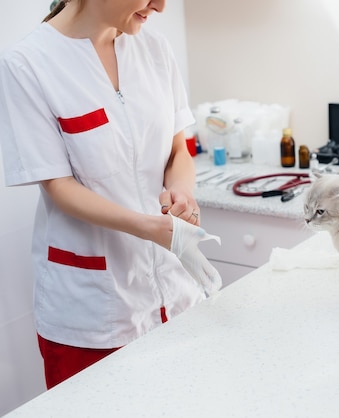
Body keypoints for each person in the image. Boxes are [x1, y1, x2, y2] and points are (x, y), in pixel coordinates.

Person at [0, 0, 221, 389]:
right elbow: (58, 186)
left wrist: (181, 190)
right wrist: (147, 226)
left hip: (176, 295)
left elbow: (178, 150)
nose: (161, 6)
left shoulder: (154, 49)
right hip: (93, 313)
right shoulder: (28, 64)